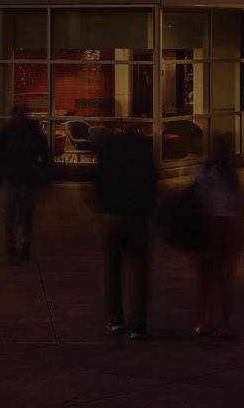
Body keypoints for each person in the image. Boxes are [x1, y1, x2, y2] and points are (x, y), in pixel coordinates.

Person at [94, 121, 158, 340]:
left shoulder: (108, 149)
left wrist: (102, 207)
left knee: (112, 270)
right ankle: (138, 325)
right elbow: (152, 181)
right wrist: (148, 208)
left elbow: (99, 180)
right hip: (137, 216)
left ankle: (115, 320)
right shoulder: (143, 149)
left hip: (112, 215)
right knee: (138, 270)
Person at [192, 136, 244, 338]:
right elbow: (240, 204)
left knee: (204, 278)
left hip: (208, 225)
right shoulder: (233, 176)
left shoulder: (204, 171)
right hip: (229, 227)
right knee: (225, 278)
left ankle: (203, 322)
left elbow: (198, 198)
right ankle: (224, 324)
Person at [0, 106, 51, 261]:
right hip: (13, 177)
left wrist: (46, 175)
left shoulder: (29, 134)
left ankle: (24, 243)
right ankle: (13, 240)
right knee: (11, 212)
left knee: (25, 212)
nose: (20, 120)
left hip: (26, 178)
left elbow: (45, 154)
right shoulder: (8, 134)